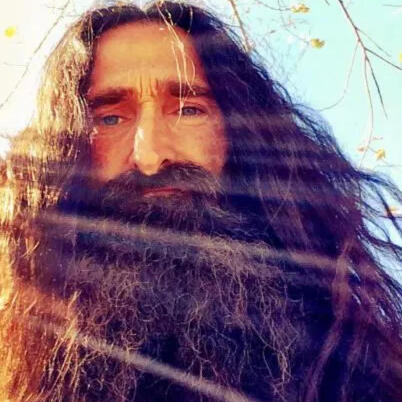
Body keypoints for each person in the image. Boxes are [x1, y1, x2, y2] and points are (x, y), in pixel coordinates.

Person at [0, 1, 401, 401]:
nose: (150, 157)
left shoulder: (368, 368)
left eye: (188, 110)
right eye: (110, 118)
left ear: (240, 138)